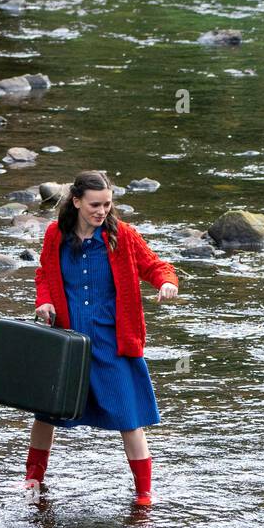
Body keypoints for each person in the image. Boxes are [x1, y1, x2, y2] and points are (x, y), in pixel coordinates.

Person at [27, 170, 179, 506]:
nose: (102, 211)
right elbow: (44, 274)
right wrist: (44, 300)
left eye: (108, 204)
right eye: (95, 205)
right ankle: (32, 480)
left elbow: (156, 266)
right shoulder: (55, 234)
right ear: (77, 201)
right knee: (45, 415)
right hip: (67, 341)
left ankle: (143, 493)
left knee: (130, 418)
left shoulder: (122, 236)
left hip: (113, 341)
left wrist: (168, 282)